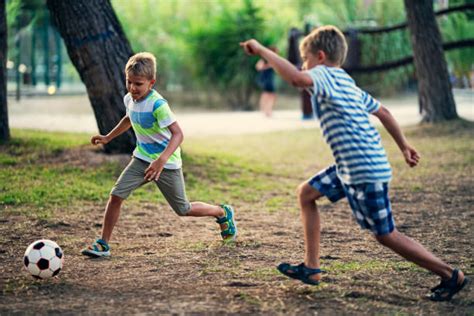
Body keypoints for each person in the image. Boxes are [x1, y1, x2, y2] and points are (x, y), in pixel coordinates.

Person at [240, 26, 469, 301]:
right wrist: (404, 146)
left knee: (386, 235)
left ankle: (449, 274)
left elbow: (297, 79)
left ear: (321, 57)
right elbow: (382, 111)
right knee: (306, 193)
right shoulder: (345, 80)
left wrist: (263, 50)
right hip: (350, 166)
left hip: (363, 169)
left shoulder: (322, 74)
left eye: (306, 59)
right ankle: (312, 268)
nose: (304, 66)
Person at [81, 52, 237, 258]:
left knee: (183, 209)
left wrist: (161, 160)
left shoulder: (158, 105)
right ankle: (103, 244)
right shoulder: (130, 98)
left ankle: (222, 212)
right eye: (129, 82)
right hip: (142, 159)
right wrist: (108, 137)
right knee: (116, 196)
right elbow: (129, 118)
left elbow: (178, 134)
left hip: (167, 164)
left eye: (138, 84)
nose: (132, 88)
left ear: (151, 83)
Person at [256, 46, 277, 117]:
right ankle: (265, 110)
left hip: (269, 79)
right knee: (266, 95)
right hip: (266, 80)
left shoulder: (272, 60)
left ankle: (268, 110)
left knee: (270, 95)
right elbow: (258, 67)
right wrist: (268, 66)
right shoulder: (266, 59)